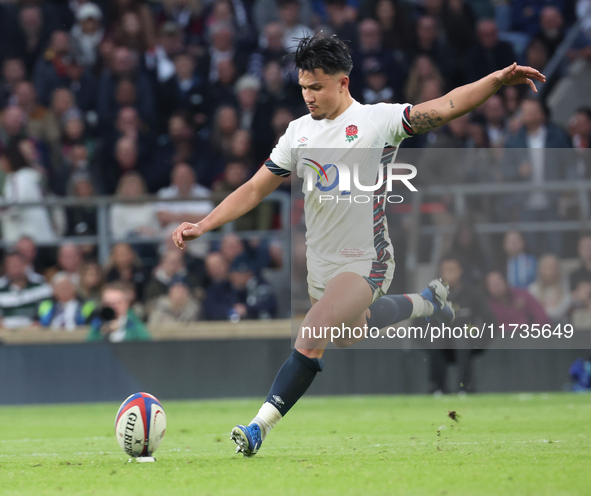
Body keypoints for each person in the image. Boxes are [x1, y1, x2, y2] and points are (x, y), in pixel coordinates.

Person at [172, 34, 545, 457]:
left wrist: (496, 79)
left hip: (367, 260)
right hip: (322, 267)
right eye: (303, 88)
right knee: (349, 332)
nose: (308, 96)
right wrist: (205, 224)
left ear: (343, 83)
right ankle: (426, 302)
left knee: (312, 332)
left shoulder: (378, 122)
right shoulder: (297, 133)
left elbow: (446, 106)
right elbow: (255, 188)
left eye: (316, 87)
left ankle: (259, 426)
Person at [428, 255, 497, 394]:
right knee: (437, 338)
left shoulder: (473, 294)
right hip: (440, 345)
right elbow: (417, 325)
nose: (450, 274)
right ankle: (438, 389)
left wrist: (480, 342)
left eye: (453, 269)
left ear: (461, 271)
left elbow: (490, 321)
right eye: (446, 270)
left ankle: (466, 388)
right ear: (440, 272)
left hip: (467, 343)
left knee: (461, 338)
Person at [0, 251, 53, 329]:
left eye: (17, 265)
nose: (14, 269)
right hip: (6, 334)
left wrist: (41, 322)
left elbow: (48, 310)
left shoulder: (41, 288)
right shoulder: (1, 290)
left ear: (25, 265)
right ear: (6, 268)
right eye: (11, 265)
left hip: (35, 333)